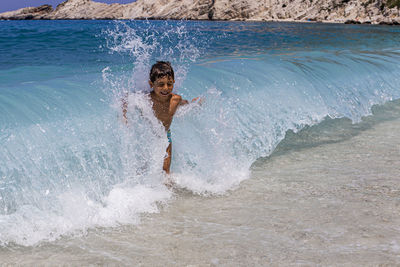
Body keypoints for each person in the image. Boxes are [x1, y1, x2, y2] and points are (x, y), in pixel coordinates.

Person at [122, 61, 199, 175]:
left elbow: (184, 103)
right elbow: (127, 99)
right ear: (151, 84)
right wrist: (124, 116)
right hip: (148, 136)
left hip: (165, 136)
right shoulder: (146, 99)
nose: (166, 88)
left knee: (166, 171)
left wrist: (194, 104)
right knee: (144, 168)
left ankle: (167, 190)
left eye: (169, 83)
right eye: (161, 84)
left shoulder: (175, 99)